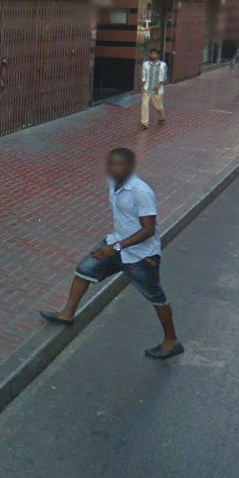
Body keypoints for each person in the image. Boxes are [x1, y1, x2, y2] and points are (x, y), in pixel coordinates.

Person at [41, 148, 182, 359]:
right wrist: (114, 245)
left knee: (156, 298)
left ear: (130, 167)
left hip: (141, 256)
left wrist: (114, 248)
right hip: (117, 244)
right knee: (84, 270)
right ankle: (67, 314)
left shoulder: (140, 191)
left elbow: (148, 230)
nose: (113, 169)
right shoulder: (113, 183)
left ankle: (172, 342)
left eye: (119, 165)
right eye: (111, 164)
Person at [138, 48, 168, 129]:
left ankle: (161, 119)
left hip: (157, 90)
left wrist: (158, 84)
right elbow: (143, 76)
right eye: (151, 54)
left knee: (159, 107)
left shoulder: (163, 65)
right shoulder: (146, 64)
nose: (152, 55)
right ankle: (144, 124)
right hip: (147, 88)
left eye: (154, 54)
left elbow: (164, 77)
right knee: (144, 106)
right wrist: (142, 87)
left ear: (158, 55)